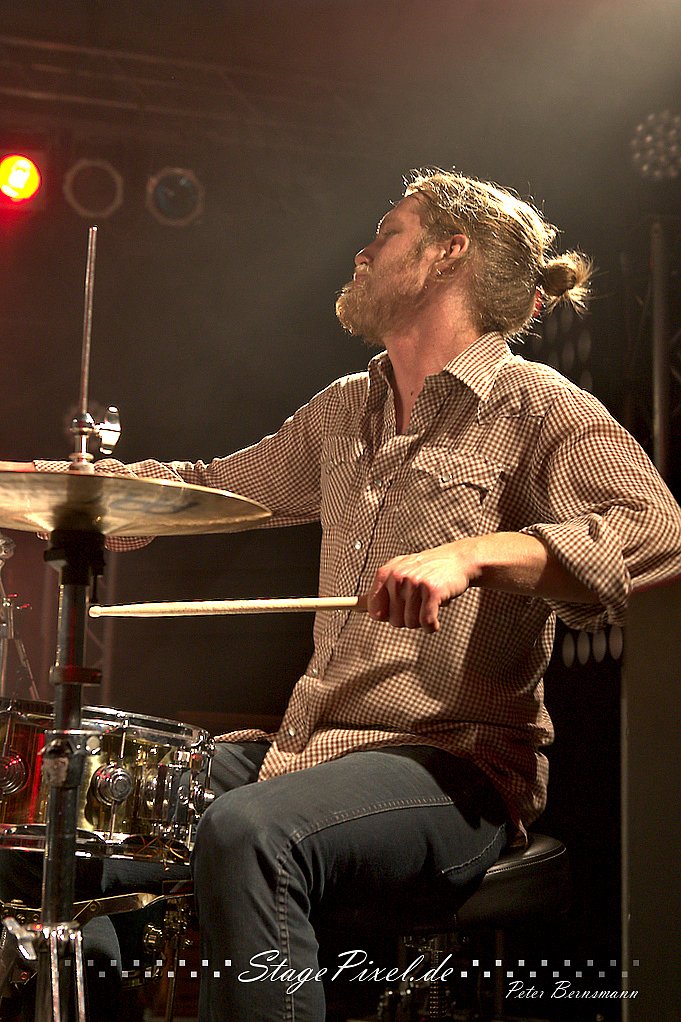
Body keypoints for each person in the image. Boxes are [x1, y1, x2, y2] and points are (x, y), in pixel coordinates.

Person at [1, 169, 680, 1021]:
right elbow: (205, 489)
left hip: (453, 768)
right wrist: (49, 486)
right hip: (305, 750)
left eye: (387, 232)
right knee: (49, 829)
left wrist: (472, 555)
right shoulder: (343, 411)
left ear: (449, 251)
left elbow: (658, 532)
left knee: (250, 831)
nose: (362, 251)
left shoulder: (536, 405)